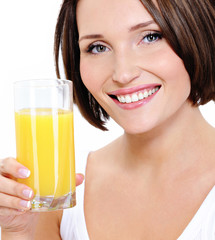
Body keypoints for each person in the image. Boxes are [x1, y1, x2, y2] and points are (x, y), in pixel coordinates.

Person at [0, 0, 215, 239]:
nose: (122, 74)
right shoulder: (58, 195)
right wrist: (16, 231)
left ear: (197, 32)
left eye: (151, 36)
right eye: (98, 47)